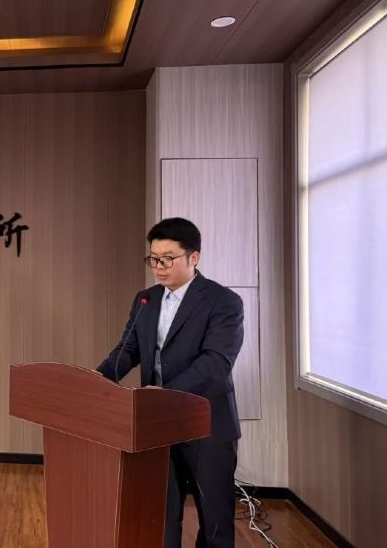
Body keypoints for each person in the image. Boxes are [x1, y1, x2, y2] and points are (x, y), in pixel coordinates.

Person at [96, 217, 244, 548]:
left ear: (194, 257)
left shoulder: (223, 301)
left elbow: (216, 363)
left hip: (207, 425)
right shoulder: (145, 299)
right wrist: (98, 378)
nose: (158, 268)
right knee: (161, 516)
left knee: (215, 522)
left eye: (167, 259)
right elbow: (128, 349)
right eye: (153, 259)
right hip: (158, 426)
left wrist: (165, 394)